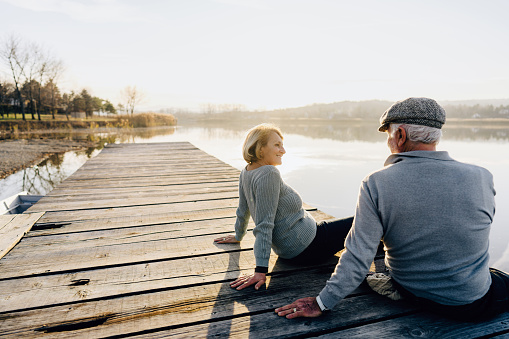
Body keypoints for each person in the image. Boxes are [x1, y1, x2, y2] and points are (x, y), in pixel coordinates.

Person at [276, 97, 509, 321]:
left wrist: (321, 302)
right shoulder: (482, 177)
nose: (388, 142)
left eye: (388, 135)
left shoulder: (376, 183)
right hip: (470, 303)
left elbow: (358, 256)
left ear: (400, 135)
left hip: (411, 291)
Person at [214, 123, 353, 291]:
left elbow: (243, 210)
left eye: (282, 144)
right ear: (260, 148)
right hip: (310, 246)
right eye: (277, 145)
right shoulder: (269, 174)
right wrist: (260, 271)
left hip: (295, 245)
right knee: (365, 219)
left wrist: (238, 234)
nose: (283, 150)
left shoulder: (247, 171)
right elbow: (264, 223)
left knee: (349, 226)